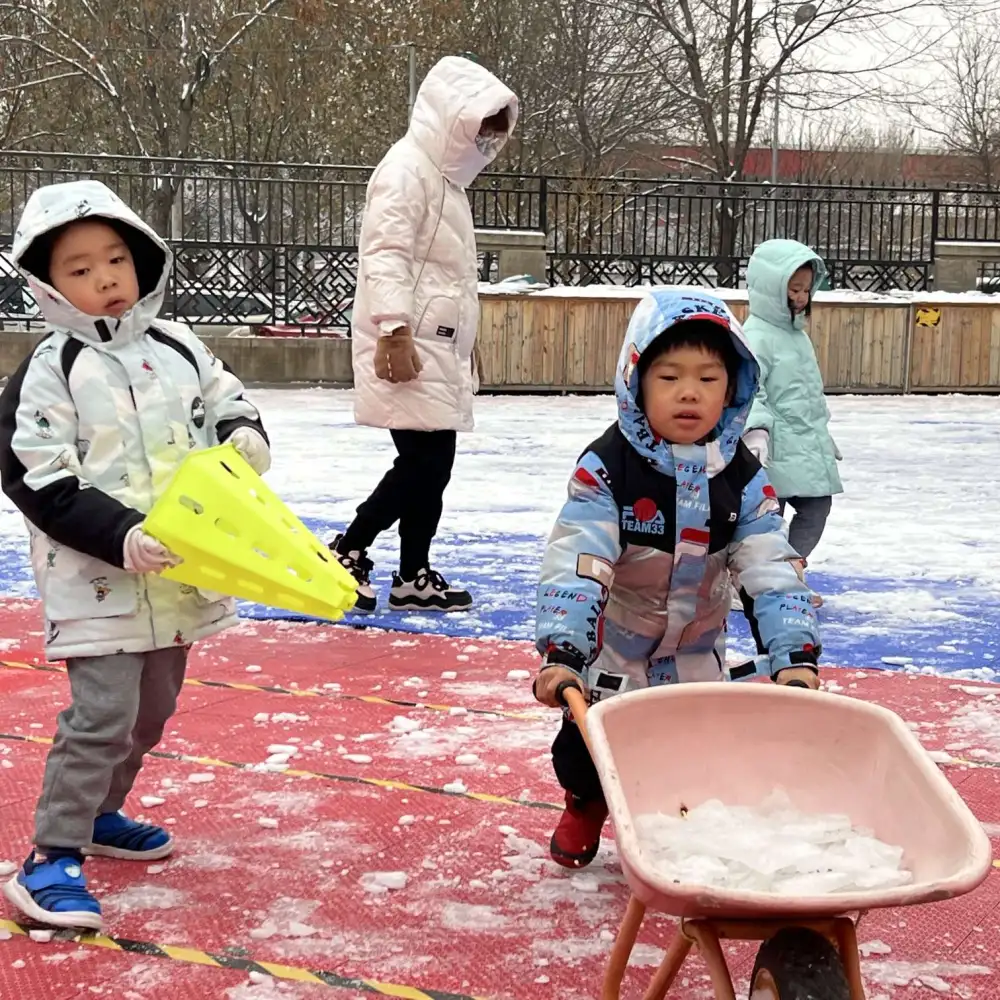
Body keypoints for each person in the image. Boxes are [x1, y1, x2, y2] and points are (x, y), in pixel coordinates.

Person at [0, 179, 270, 930]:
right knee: (102, 714)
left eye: (115, 259)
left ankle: (100, 812)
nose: (104, 279)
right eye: (79, 269)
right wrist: (119, 534)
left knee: (151, 713)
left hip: (181, 577)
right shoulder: (49, 371)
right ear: (49, 286)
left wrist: (244, 436)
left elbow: (228, 399)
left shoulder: (180, 346)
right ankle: (50, 855)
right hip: (97, 579)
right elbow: (39, 479)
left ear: (142, 260)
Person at [531, 289, 821, 870]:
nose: (689, 393)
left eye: (709, 379)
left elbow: (770, 562)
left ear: (733, 389)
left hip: (695, 649)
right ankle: (586, 801)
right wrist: (564, 649)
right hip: (617, 645)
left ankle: (677, 826)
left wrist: (794, 651)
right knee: (587, 746)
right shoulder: (608, 469)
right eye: (669, 377)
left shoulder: (742, 478)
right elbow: (579, 561)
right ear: (637, 382)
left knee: (693, 750)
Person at [330, 55, 518, 614]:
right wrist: (392, 329)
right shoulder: (406, 170)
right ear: (450, 116)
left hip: (435, 344)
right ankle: (349, 547)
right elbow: (384, 254)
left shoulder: (445, 183)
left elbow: (448, 278)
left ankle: (412, 571)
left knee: (435, 466)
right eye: (480, 125)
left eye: (494, 131)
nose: (486, 141)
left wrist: (464, 340)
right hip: (408, 342)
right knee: (422, 463)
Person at [739, 239, 843, 614]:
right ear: (771, 288)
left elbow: (806, 394)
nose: (800, 297)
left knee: (817, 506)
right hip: (773, 447)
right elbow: (752, 388)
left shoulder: (797, 336)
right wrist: (756, 430)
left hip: (803, 444)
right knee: (768, 517)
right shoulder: (757, 336)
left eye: (805, 290)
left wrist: (821, 437)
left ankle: (791, 571)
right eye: (793, 289)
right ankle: (757, 580)